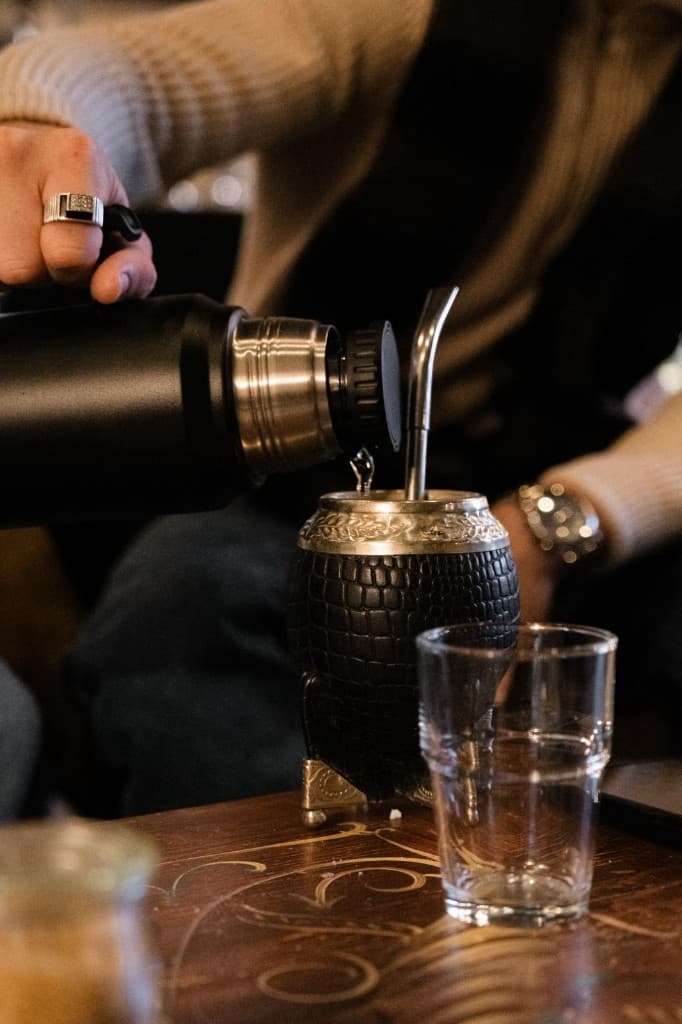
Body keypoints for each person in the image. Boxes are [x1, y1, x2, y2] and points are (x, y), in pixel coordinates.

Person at [0, 0, 679, 815]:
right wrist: (43, 129)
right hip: (292, 473)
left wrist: (562, 522)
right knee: (182, 606)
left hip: (574, 481)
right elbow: (141, 80)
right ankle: (295, 926)